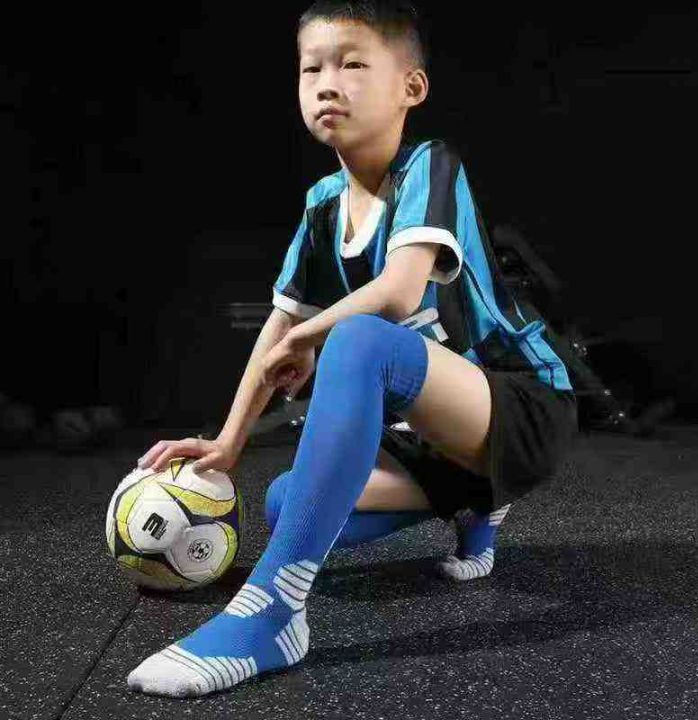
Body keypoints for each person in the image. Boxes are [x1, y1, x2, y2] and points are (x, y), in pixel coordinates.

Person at [127, 0, 578, 697]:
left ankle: (273, 613)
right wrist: (227, 443)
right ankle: (475, 502)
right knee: (289, 504)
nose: (327, 84)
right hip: (435, 436)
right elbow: (278, 329)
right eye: (311, 69)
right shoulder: (322, 204)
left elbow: (398, 293)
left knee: (363, 340)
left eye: (353, 64)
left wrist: (313, 336)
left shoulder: (430, 165)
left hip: (521, 403)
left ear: (411, 88)